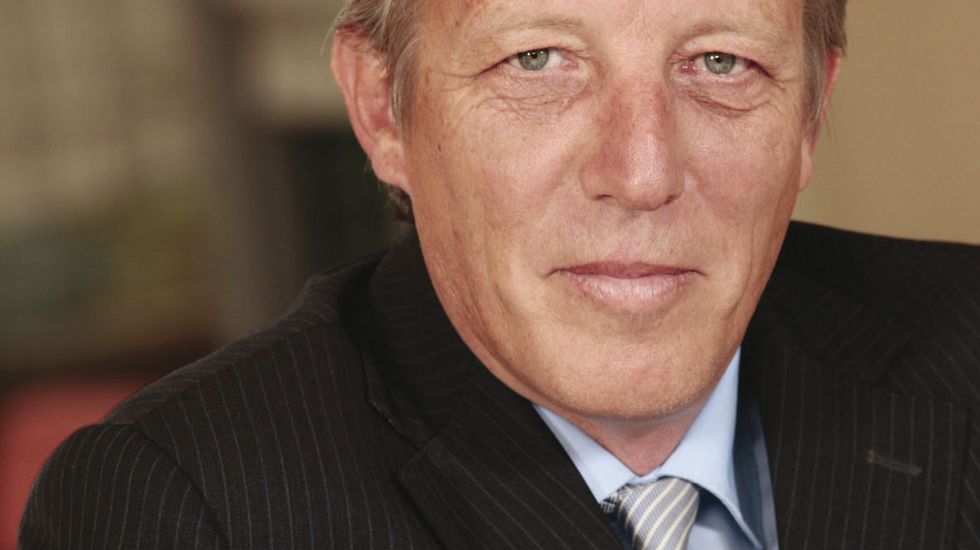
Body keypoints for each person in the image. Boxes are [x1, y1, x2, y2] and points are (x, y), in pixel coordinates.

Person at [19, 0, 979, 548]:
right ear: (382, 108)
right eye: (538, 60)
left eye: (721, 63)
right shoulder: (186, 506)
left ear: (811, 115)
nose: (642, 172)